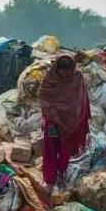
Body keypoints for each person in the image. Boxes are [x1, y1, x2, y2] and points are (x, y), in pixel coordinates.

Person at [39, 54, 91, 194]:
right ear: (57, 68)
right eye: (62, 71)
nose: (65, 75)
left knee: (65, 149)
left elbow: (82, 99)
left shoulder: (77, 77)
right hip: (54, 121)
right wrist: (54, 115)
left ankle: (62, 172)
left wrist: (82, 118)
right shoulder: (50, 79)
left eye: (68, 71)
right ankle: (50, 179)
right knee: (51, 149)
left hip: (72, 122)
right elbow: (44, 96)